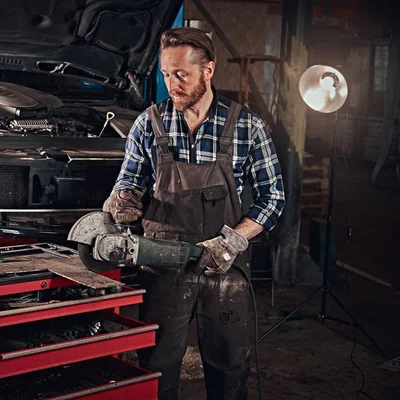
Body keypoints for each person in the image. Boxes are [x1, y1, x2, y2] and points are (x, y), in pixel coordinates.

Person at [103, 27, 285, 400]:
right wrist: (121, 200)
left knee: (229, 366)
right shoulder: (148, 124)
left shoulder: (247, 127)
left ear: (208, 71)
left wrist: (233, 239)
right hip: (162, 264)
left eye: (181, 74)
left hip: (224, 268)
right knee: (156, 364)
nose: (171, 84)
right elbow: (128, 182)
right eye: (166, 74)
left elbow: (273, 197)